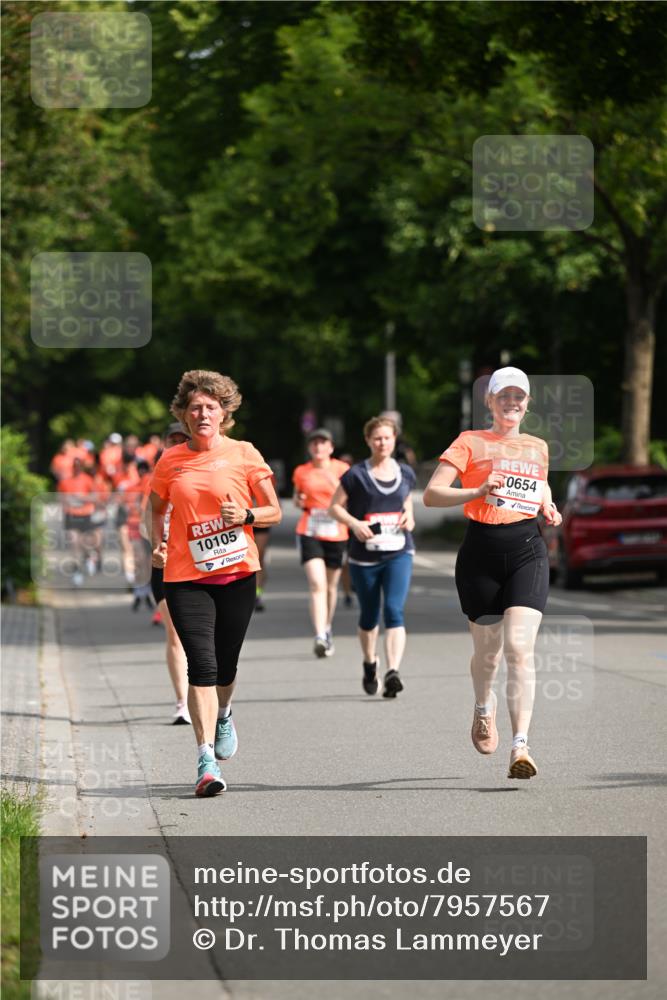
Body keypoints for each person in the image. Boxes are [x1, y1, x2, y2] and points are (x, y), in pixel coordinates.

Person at [423, 366, 562, 780]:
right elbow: (432, 494)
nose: (512, 403)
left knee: (520, 649)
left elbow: (540, 485)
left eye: (519, 397)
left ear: (527, 403)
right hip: (480, 553)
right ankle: (484, 708)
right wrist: (478, 491)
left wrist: (546, 505)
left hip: (527, 551)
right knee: (489, 653)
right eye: (504, 396)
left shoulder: (537, 446)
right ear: (490, 401)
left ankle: (521, 746)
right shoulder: (470, 442)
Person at [150, 370, 281, 797]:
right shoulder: (170, 461)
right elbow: (154, 506)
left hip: (237, 573)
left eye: (210, 407)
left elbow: (273, 511)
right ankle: (206, 760)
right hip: (186, 578)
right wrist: (159, 542)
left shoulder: (244, 453)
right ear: (183, 416)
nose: (202, 414)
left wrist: (244, 517)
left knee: (225, 664)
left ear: (224, 413)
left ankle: (225, 712)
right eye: (194, 408)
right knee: (201, 665)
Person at [329, 416, 416, 697]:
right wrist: (355, 524)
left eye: (387, 438)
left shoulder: (405, 472)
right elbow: (334, 508)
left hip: (399, 552)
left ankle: (393, 671)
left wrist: (409, 517)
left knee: (393, 610)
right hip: (364, 556)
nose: (382, 443)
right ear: (368, 441)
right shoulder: (356, 475)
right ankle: (370, 663)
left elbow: (406, 501)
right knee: (369, 615)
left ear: (394, 440)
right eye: (377, 438)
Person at [292, 429, 350, 657]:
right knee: (317, 584)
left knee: (330, 586)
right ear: (309, 448)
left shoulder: (342, 470)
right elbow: (298, 498)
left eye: (322, 443)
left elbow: (352, 498)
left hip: (336, 532)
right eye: (314, 443)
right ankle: (319, 635)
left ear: (331, 447)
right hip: (310, 530)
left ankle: (326, 628)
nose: (318, 447)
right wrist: (299, 501)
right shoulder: (301, 471)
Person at [149, 422, 191, 724]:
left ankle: (206, 690)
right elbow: (146, 516)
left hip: (199, 567)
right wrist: (157, 545)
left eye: (182, 440)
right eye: (171, 441)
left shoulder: (202, 473)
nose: (176, 445)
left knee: (205, 637)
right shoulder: (156, 477)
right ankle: (182, 702)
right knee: (174, 633)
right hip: (164, 565)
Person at [57, 456, 97, 586]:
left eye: (79, 465)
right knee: (74, 542)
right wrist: (66, 502)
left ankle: (89, 557)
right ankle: (77, 571)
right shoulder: (65, 481)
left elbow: (95, 497)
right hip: (71, 515)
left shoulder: (88, 480)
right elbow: (60, 498)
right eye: (75, 466)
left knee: (85, 543)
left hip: (85, 514)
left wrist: (82, 498)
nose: (77, 468)